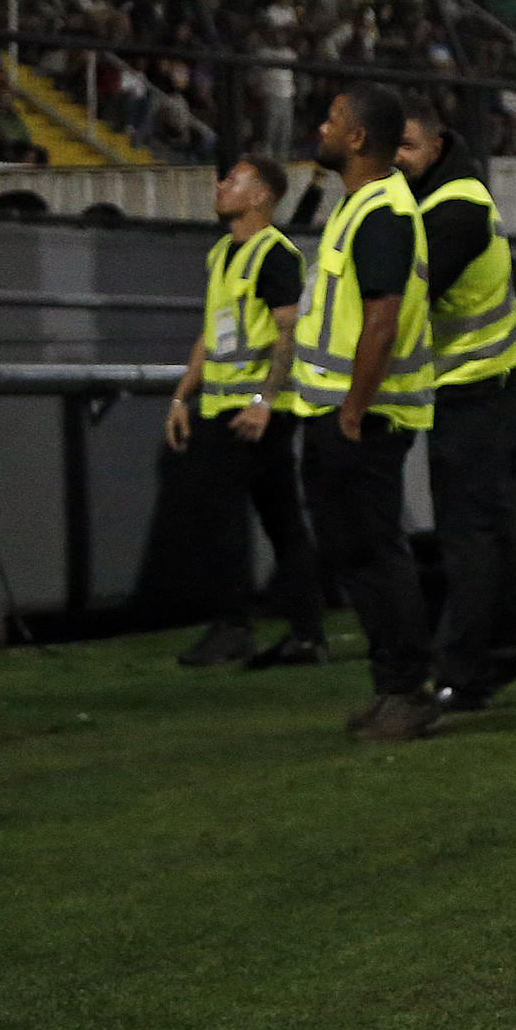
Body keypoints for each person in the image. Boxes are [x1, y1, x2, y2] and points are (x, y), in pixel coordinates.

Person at [294, 83, 440, 741]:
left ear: (357, 139)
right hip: (340, 411)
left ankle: (407, 689)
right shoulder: (359, 207)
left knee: (376, 551)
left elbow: (381, 319)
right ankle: (393, 686)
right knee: (358, 552)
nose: (322, 128)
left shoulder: (380, 210)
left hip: (363, 416)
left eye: (332, 120)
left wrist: (352, 409)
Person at [395, 102, 516, 714]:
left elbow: (405, 295)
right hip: (472, 387)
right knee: (482, 529)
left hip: (470, 387)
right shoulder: (450, 199)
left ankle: (466, 670)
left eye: (405, 146)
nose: (396, 159)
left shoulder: (452, 206)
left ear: (434, 146)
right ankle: (506, 650)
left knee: (469, 535)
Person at [165, 155, 326, 670]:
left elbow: (289, 333)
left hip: (250, 412)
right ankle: (307, 633)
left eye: (233, 180)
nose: (220, 186)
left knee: (221, 514)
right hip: (232, 407)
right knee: (281, 518)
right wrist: (181, 397)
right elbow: (212, 336)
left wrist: (264, 402)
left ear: (261, 196)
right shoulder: (222, 254)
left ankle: (233, 627)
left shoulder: (274, 255)